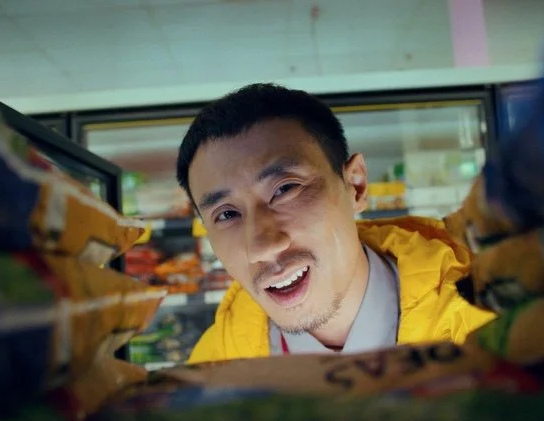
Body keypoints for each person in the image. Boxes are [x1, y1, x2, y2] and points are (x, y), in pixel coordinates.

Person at [176, 83, 494, 363]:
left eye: (285, 189)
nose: (263, 245)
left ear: (355, 185)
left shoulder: (496, 326)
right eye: (227, 214)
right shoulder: (214, 371)